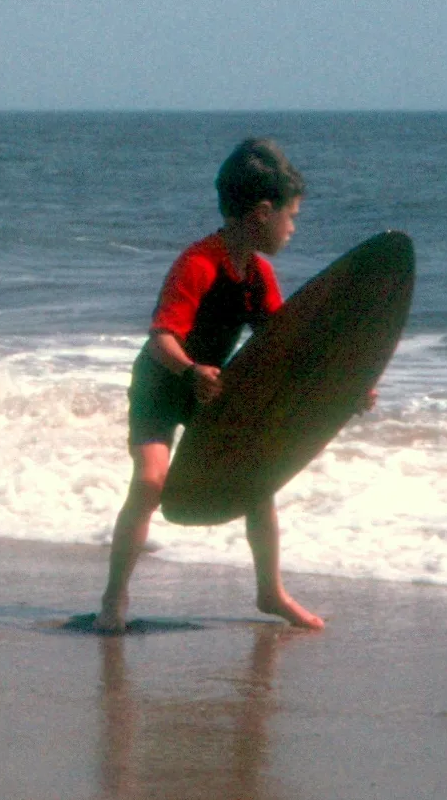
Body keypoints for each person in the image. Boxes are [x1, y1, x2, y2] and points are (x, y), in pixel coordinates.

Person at [95, 138, 324, 632]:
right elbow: (161, 338)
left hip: (211, 389)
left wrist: (349, 386)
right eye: (293, 216)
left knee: (257, 484)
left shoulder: (259, 276)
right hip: (164, 383)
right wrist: (190, 371)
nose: (293, 228)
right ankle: (114, 596)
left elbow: (283, 348)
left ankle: (270, 591)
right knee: (151, 481)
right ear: (264, 212)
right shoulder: (198, 263)